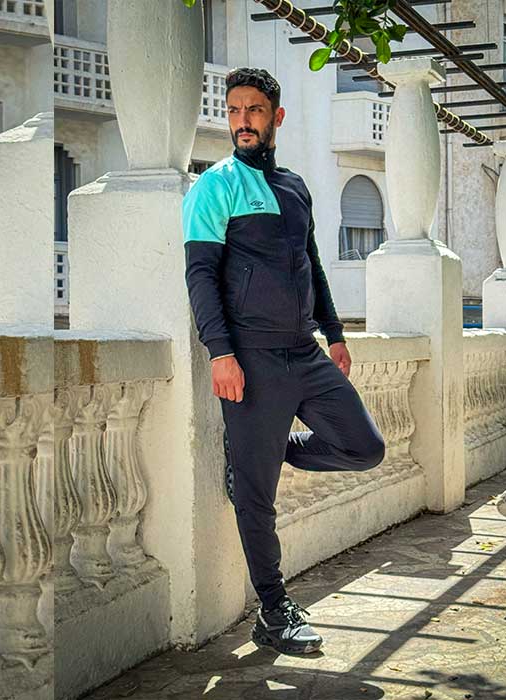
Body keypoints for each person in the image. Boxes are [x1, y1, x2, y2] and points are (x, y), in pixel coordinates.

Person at [182, 67, 386, 655]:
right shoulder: (215, 186)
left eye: (253, 110)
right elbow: (201, 276)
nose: (242, 121)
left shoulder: (294, 187)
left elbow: (311, 263)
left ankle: (270, 450)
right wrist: (221, 352)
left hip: (304, 350)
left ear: (276, 116)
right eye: (234, 110)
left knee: (365, 447)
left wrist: (335, 332)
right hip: (251, 357)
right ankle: (273, 611)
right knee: (256, 497)